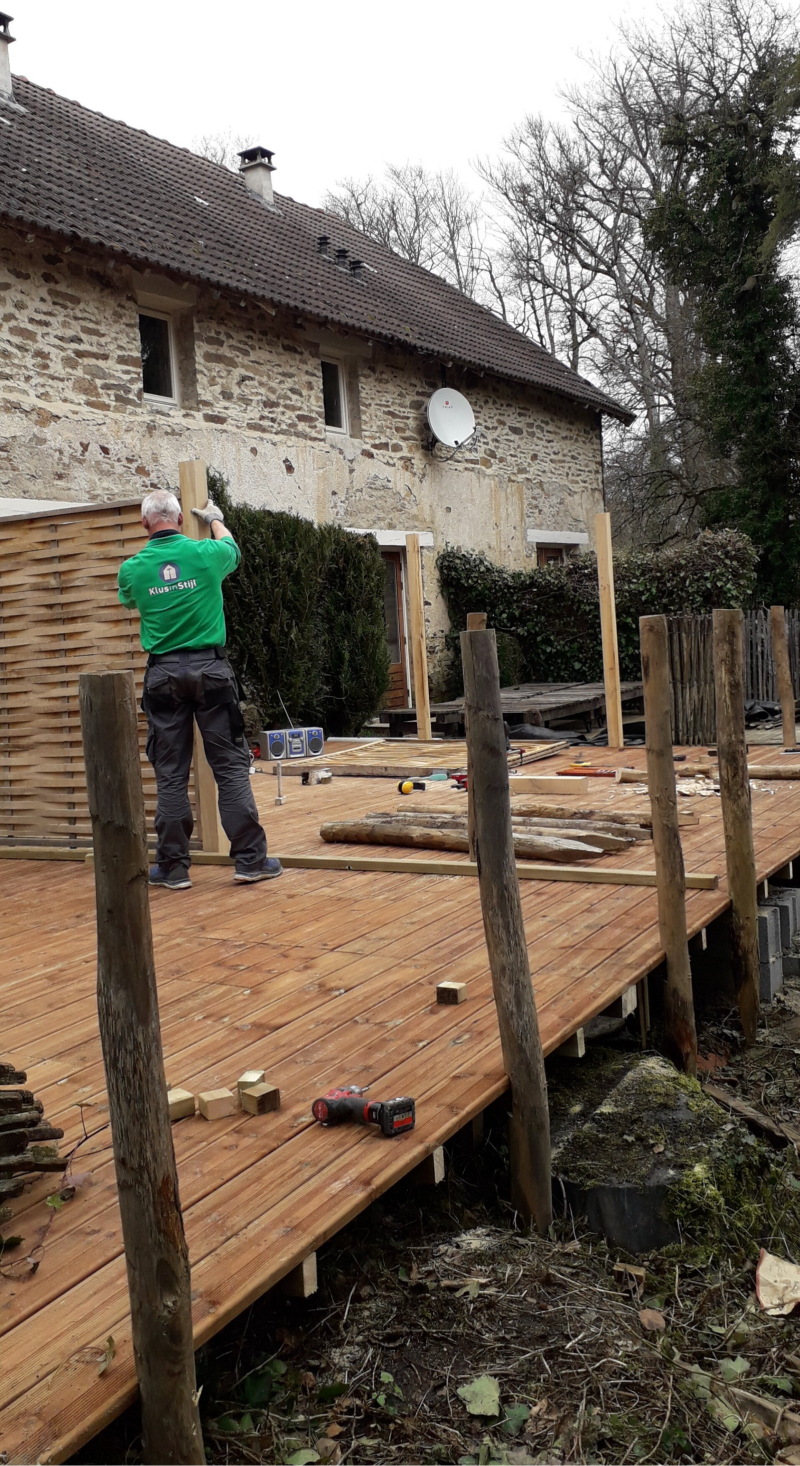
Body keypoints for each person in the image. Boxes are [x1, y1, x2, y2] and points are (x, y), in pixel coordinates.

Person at [118, 487, 281, 890]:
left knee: (171, 774)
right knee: (229, 768)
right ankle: (250, 862)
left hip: (163, 677)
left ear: (144, 523)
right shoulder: (206, 555)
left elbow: (127, 600)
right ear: (177, 518)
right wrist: (213, 518)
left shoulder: (133, 569)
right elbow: (232, 548)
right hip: (212, 672)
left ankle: (173, 869)